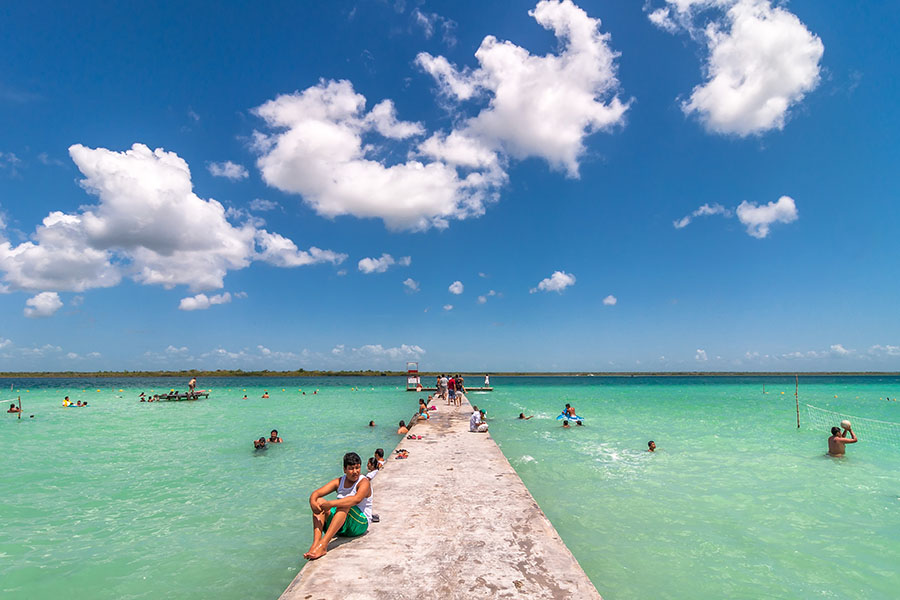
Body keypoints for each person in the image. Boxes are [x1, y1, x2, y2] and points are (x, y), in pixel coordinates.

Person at [304, 452, 373, 560]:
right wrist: (312, 502)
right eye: (351, 468)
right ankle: (316, 543)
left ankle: (323, 545)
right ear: (344, 469)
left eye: (357, 468)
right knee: (319, 501)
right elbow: (316, 494)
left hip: (360, 524)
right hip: (342, 527)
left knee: (345, 503)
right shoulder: (339, 481)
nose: (355, 472)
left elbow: (356, 499)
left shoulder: (363, 482)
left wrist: (330, 504)